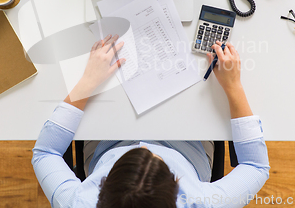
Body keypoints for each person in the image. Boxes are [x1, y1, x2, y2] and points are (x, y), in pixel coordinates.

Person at [32, 34, 269, 207]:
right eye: (153, 157)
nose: (143, 145)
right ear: (177, 187)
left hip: (109, 143)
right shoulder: (202, 203)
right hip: (187, 148)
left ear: (100, 189)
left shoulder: (80, 202)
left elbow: (45, 152)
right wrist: (234, 86)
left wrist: (87, 82)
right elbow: (256, 167)